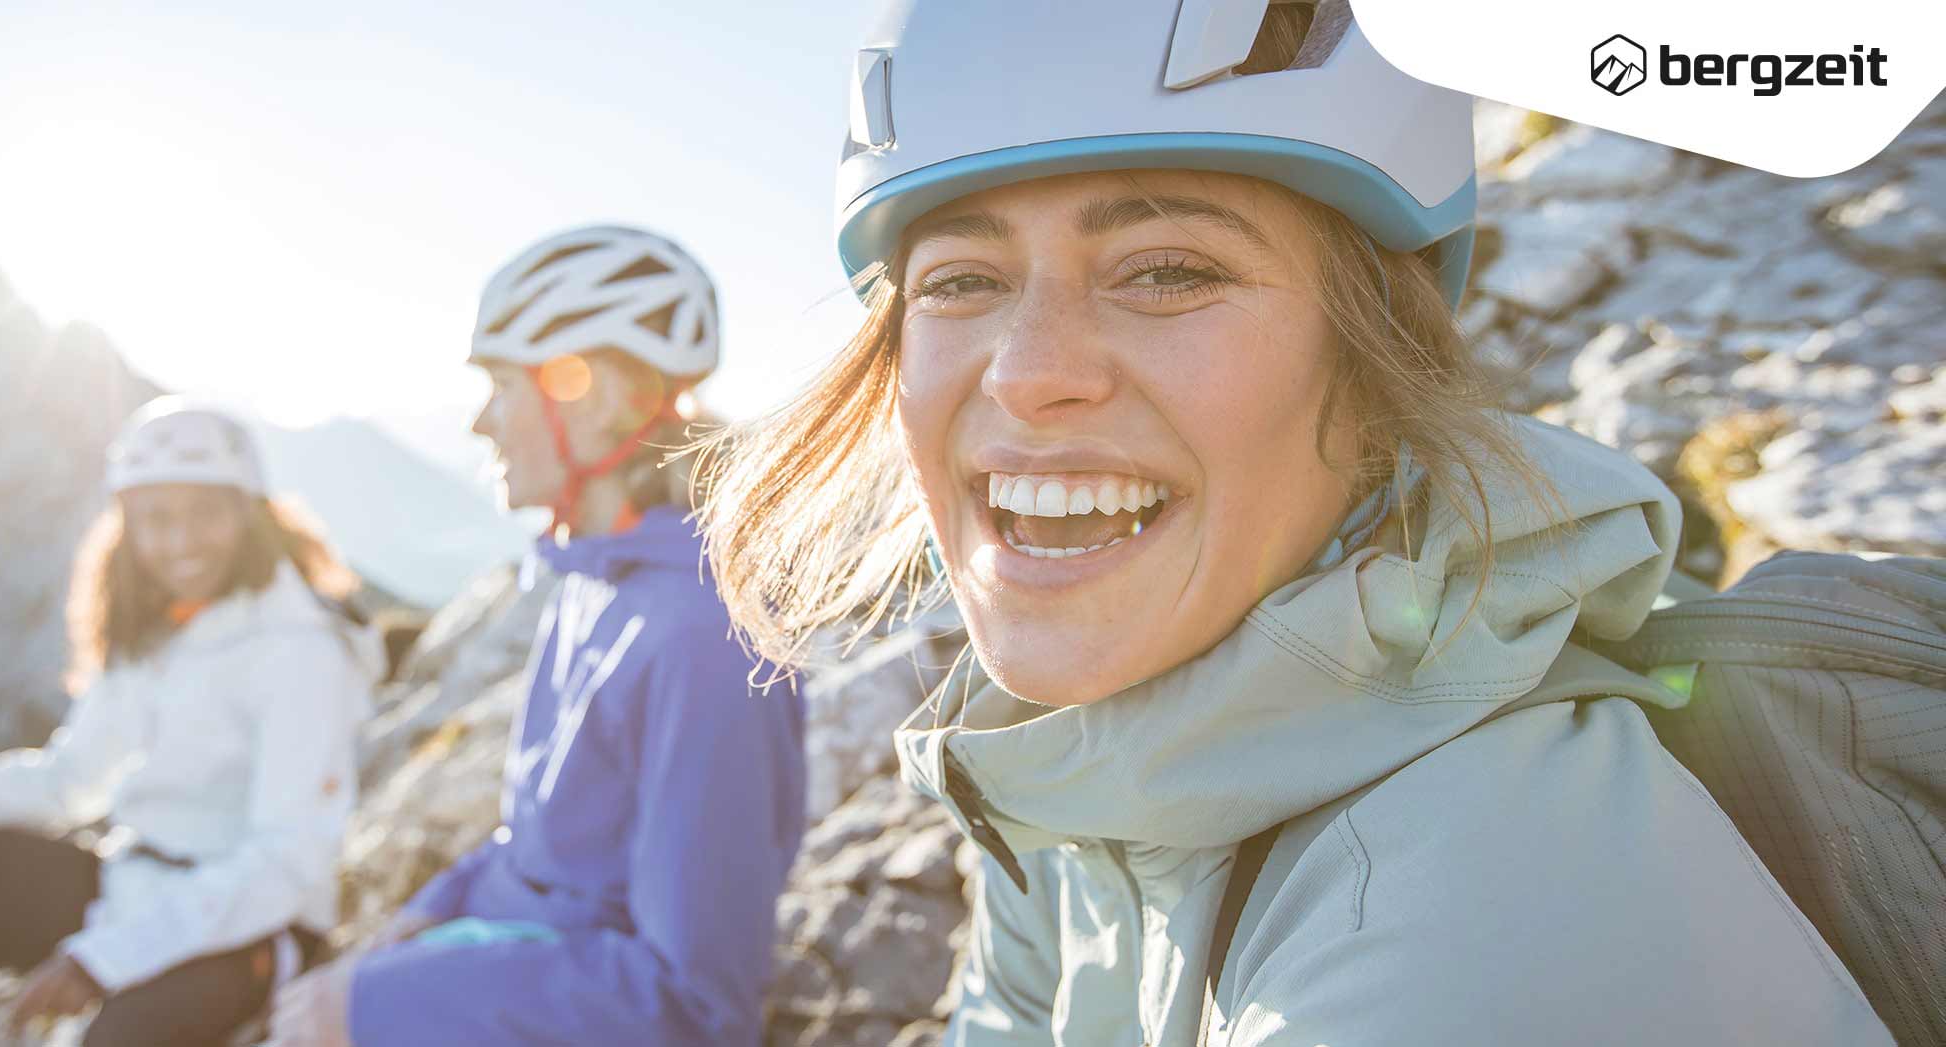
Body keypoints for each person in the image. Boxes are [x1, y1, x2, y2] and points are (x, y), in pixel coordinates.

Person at [693, 2, 1896, 1044]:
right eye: (960, 281)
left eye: (1165, 270)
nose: (1024, 374)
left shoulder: (1472, 942)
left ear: (1378, 374)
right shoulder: (1071, 785)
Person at [271, 226, 807, 1047]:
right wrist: (432, 910)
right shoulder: (594, 581)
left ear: (585, 395)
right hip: (521, 965)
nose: (481, 423)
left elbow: (697, 1004)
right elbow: (545, 852)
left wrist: (380, 1008)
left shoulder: (705, 640)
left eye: (501, 385)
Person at [0, 398, 379, 1046]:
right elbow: (70, 781)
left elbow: (285, 863)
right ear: (128, 526)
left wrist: (103, 959)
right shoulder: (155, 630)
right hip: (128, 884)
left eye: (204, 513)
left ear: (249, 512)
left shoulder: (303, 648)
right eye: (157, 519)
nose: (180, 542)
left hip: (247, 930)